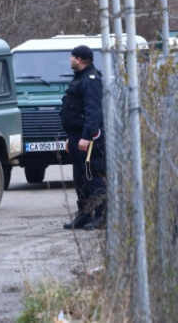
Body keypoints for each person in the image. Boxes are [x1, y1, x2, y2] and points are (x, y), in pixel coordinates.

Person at [60, 45, 107, 231]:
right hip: (75, 136)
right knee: (80, 178)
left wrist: (87, 136)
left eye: (71, 57)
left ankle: (102, 217)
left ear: (78, 59)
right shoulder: (80, 79)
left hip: (88, 138)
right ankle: (85, 214)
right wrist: (69, 137)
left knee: (94, 177)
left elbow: (93, 112)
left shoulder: (91, 80)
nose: (70, 60)